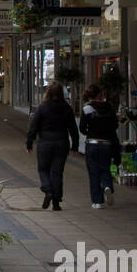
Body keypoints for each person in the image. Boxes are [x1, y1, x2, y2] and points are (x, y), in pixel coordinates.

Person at [26, 82, 79, 212]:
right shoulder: (66, 108)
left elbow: (34, 126)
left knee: (43, 169)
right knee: (57, 172)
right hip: (62, 143)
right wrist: (75, 146)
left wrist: (29, 142)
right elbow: (73, 128)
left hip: (45, 143)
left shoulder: (42, 107)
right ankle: (56, 202)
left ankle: (48, 189)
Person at [80, 85, 121, 209]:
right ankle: (107, 186)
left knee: (93, 172)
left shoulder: (87, 108)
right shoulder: (109, 107)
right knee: (105, 168)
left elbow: (82, 128)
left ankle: (98, 202)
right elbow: (115, 125)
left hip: (92, 143)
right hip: (107, 144)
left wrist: (90, 132)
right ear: (100, 95)